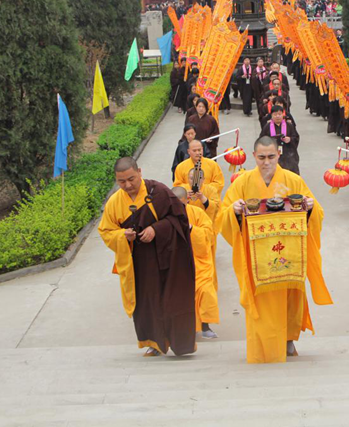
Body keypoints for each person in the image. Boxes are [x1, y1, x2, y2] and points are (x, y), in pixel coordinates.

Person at [217, 136, 333, 363]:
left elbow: (316, 213)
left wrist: (310, 207)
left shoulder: (292, 180)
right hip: (257, 256)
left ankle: (288, 341)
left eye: (271, 157)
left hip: (288, 253)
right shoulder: (242, 182)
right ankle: (261, 345)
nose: (266, 162)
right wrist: (234, 210)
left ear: (279, 154)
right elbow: (222, 217)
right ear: (254, 157)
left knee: (289, 298)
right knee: (260, 300)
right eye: (261, 157)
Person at [98, 157, 196, 357]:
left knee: (172, 299)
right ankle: (155, 343)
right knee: (147, 303)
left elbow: (180, 219)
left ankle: (181, 343)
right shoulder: (115, 202)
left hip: (169, 256)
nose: (128, 185)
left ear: (140, 172)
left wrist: (156, 229)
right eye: (121, 181)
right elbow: (106, 231)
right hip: (140, 262)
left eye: (131, 179)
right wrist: (122, 235)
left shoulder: (158, 192)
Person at [172, 186, 219, 340]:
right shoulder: (165, 216)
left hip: (199, 260)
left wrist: (192, 229)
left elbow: (208, 234)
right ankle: (186, 327)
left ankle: (205, 326)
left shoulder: (197, 213)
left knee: (205, 291)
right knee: (181, 295)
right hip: (177, 262)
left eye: (182, 204)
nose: (179, 209)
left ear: (187, 200)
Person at [258, 105, 300, 174]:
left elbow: (296, 137)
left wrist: (290, 139)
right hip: (272, 155)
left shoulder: (289, 125)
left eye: (279, 114)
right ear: (271, 115)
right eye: (275, 114)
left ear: (282, 114)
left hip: (288, 154)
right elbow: (261, 140)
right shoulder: (267, 127)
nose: (277, 116)